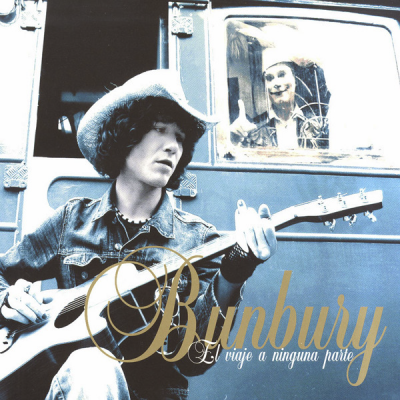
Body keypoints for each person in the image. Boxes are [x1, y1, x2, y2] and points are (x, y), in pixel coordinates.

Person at [0, 70, 277, 400]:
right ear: (125, 135)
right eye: (159, 129)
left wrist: (236, 269)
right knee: (91, 365)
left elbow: (194, 360)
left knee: (94, 365)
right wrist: (8, 299)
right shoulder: (71, 221)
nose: (172, 146)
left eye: (180, 138)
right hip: (66, 388)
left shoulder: (198, 240)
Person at [230, 49, 329, 149]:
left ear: (295, 80)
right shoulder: (254, 128)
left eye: (282, 75)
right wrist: (234, 141)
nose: (276, 83)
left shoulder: (318, 124)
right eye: (269, 78)